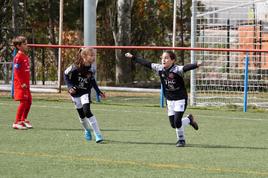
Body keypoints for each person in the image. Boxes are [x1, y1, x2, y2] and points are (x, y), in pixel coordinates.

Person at [125, 51, 202, 147]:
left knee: (177, 122)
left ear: (172, 60)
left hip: (180, 98)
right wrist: (133, 57)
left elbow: (186, 67)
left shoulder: (177, 69)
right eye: (162, 58)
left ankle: (181, 140)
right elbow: (146, 63)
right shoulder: (159, 68)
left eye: (166, 58)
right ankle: (189, 120)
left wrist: (196, 64)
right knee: (173, 124)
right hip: (169, 99)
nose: (163, 60)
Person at [64, 47, 105, 143]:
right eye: (91, 55)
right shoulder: (75, 67)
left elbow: (92, 80)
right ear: (84, 56)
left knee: (87, 111)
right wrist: (70, 87)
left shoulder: (92, 69)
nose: (93, 57)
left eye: (94, 55)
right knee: (81, 115)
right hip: (75, 93)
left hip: (85, 92)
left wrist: (98, 91)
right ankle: (87, 130)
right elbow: (65, 74)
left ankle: (98, 134)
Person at [12, 36, 33, 130]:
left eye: (26, 43)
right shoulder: (18, 57)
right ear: (18, 46)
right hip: (21, 84)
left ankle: (23, 119)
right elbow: (16, 72)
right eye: (24, 44)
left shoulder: (24, 55)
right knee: (23, 102)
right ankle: (16, 122)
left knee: (29, 101)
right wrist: (21, 83)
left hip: (26, 84)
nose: (26, 45)